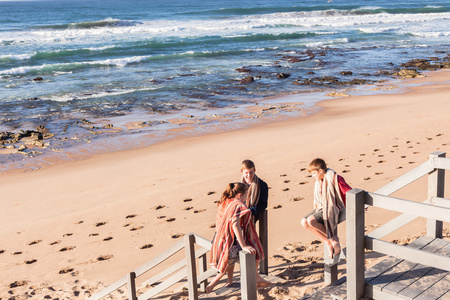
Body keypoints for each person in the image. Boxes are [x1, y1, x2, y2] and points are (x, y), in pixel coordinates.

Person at [207, 182, 271, 293]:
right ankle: (256, 278)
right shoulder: (237, 205)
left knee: (231, 255)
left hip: (219, 243)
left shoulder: (225, 201)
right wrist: (244, 245)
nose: (245, 200)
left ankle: (229, 281)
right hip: (227, 246)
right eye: (245, 197)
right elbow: (235, 225)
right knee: (254, 251)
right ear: (239, 195)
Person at [300, 158, 352, 259]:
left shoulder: (335, 178)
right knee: (304, 222)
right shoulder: (319, 181)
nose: (312, 176)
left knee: (311, 220)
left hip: (334, 207)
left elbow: (348, 192)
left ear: (321, 171)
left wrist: (359, 205)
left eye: (314, 173)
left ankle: (333, 239)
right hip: (322, 207)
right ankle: (327, 241)